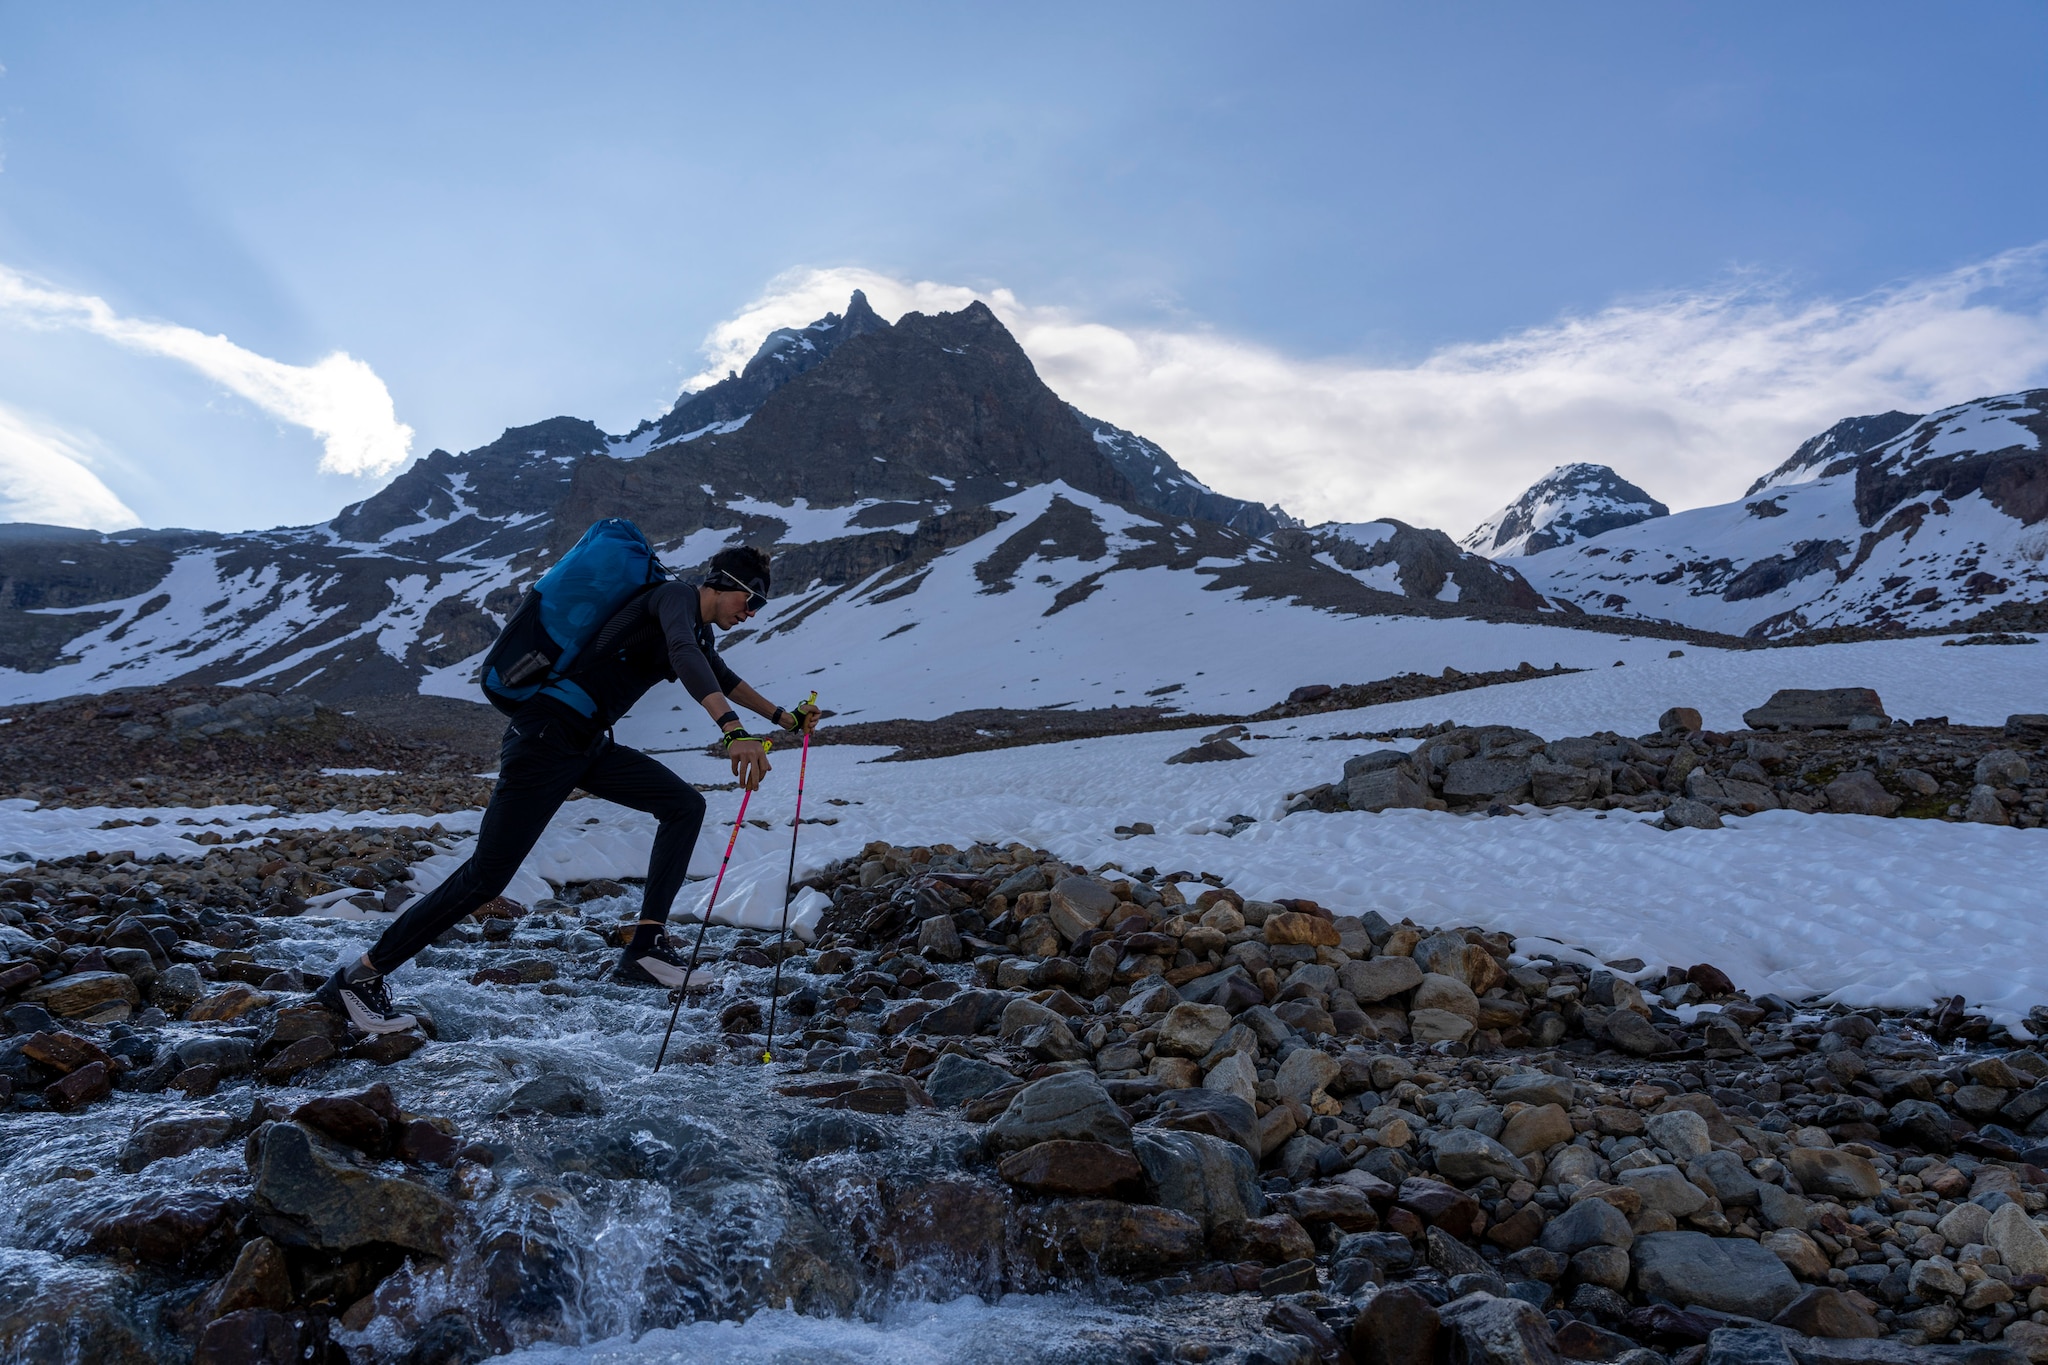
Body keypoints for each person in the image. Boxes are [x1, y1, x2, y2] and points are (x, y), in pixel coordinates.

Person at [313, 544, 818, 1034]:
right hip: (545, 737)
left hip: (585, 744)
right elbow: (686, 658)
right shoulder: (674, 599)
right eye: (751, 600)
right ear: (723, 585)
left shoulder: (693, 626)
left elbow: (719, 674)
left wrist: (784, 718)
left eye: (760, 605)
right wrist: (732, 731)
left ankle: (645, 947)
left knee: (684, 805)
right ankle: (357, 978)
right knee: (486, 878)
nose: (752, 612)